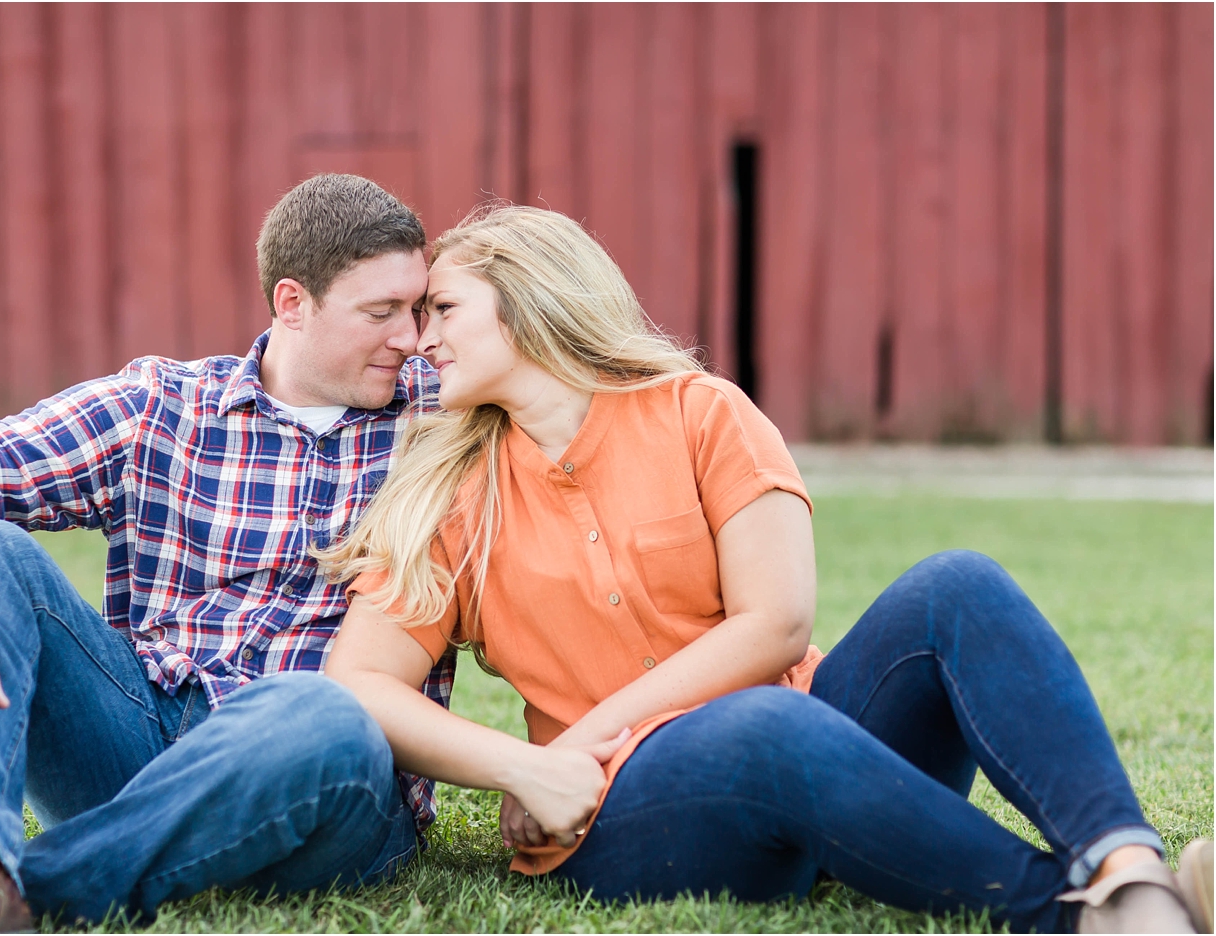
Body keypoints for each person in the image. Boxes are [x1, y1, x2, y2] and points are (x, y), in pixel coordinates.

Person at [321, 204, 1213, 934]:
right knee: (761, 728)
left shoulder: (703, 413)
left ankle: (1127, 870)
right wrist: (523, 768)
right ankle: (1087, 921)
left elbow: (776, 624)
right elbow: (361, 680)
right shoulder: (451, 492)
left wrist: (588, 736)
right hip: (622, 815)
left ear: (529, 300)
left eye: (443, 309)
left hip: (819, 745)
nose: (418, 339)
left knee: (957, 585)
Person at [0, 174, 456, 933]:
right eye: (382, 312)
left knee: (324, 709)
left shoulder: (446, 413)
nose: (411, 337)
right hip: (138, 734)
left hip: (325, 774)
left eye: (418, 309)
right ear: (293, 304)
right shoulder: (166, 405)